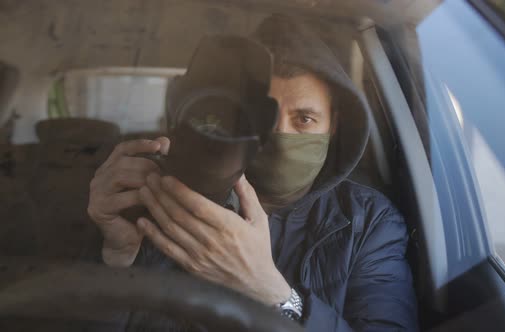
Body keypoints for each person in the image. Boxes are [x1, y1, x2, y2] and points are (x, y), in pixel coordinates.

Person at [88, 15, 418, 331]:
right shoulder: (162, 196)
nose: (281, 134)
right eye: (266, 118)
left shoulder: (368, 222)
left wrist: (271, 294)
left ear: (334, 126)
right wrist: (116, 259)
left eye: (304, 119)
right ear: (239, 117)